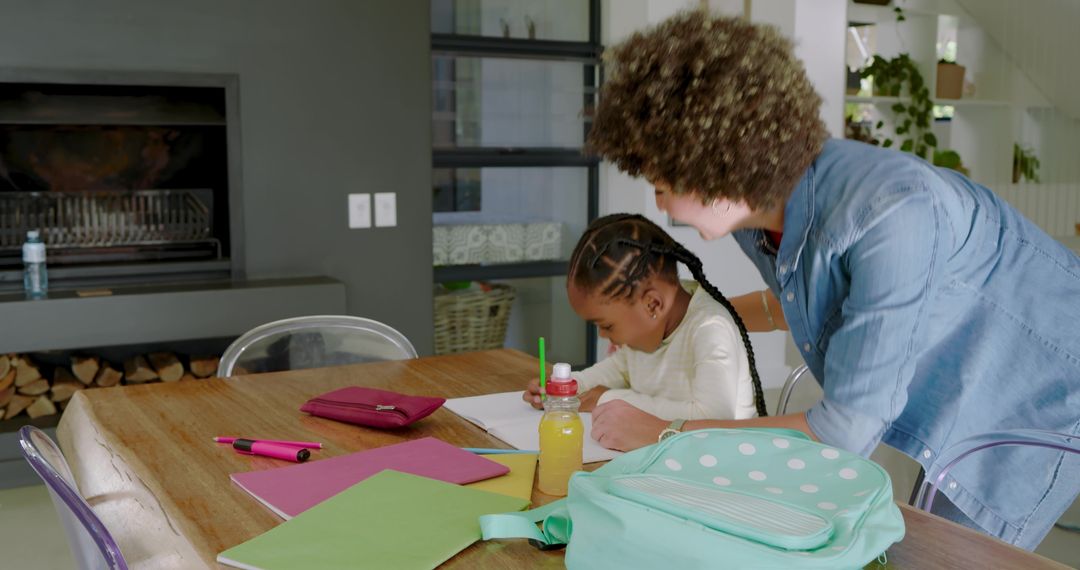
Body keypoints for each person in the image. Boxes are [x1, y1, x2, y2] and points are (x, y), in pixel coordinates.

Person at [583, 10, 1080, 550]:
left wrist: (662, 434)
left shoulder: (892, 214)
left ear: (712, 164)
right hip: (962, 382)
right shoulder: (758, 218)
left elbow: (840, 435)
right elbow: (799, 302)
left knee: (949, 555)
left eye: (661, 180)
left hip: (1038, 393)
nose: (658, 199)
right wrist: (684, 322)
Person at [523, 213, 767, 423]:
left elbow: (711, 417)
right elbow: (618, 370)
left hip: (722, 465)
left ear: (653, 304)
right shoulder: (645, 334)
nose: (602, 335)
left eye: (607, 325)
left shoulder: (710, 329)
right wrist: (564, 388)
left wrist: (609, 399)